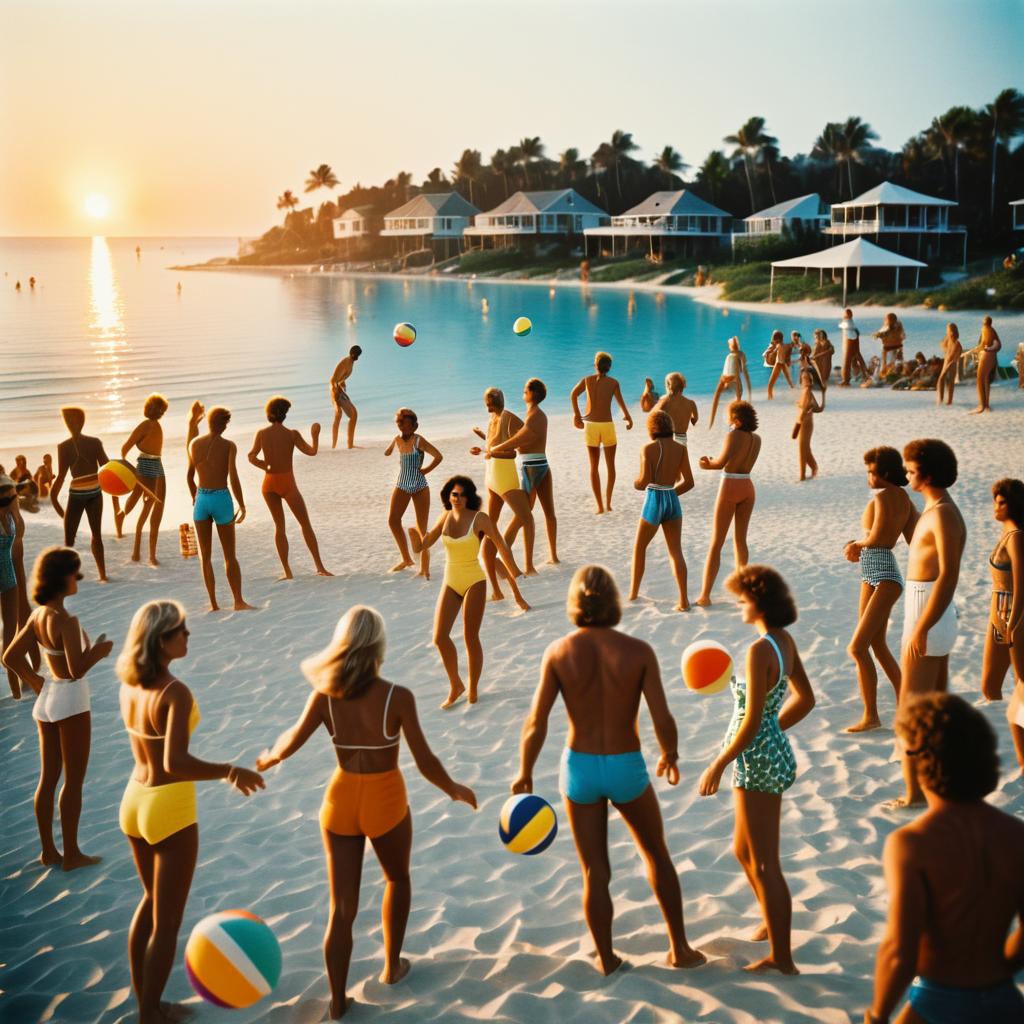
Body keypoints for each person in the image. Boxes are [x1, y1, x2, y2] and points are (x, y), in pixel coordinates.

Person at [256, 606, 478, 1018]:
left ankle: (338, 1001)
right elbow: (425, 761)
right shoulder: (397, 696)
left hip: (340, 801)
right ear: (378, 647)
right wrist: (454, 789)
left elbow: (292, 741)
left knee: (341, 908)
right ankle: (392, 966)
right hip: (385, 800)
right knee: (397, 879)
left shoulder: (325, 694)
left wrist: (270, 757)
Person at [512, 565, 705, 975]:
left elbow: (536, 722)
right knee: (656, 854)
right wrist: (669, 753)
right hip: (625, 765)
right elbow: (662, 716)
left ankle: (607, 958)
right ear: (613, 601)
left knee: (593, 870)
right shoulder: (637, 651)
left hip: (578, 766)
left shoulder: (559, 652)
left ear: (575, 603)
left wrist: (524, 770)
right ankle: (680, 949)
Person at [115, 599, 264, 1024]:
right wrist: (229, 771)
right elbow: (174, 762)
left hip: (134, 801)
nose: (188, 636)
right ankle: (150, 1014)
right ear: (162, 640)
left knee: (148, 905)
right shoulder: (174, 691)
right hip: (168, 807)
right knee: (167, 922)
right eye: (182, 630)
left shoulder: (130, 684)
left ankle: (149, 1003)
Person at [866, 693, 1024, 1024]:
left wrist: (878, 1014)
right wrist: (1002, 968)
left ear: (921, 759)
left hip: (938, 1001)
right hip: (1004, 999)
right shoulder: (1016, 835)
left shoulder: (911, 844)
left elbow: (899, 952)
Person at [698, 565, 815, 975]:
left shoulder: (759, 649)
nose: (738, 606)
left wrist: (718, 762)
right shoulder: (784, 642)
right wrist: (773, 730)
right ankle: (770, 919)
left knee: (765, 862)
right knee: (743, 851)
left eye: (742, 600)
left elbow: (749, 721)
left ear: (760, 603)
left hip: (755, 759)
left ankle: (782, 958)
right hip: (766, 752)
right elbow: (806, 699)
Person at [3, 546, 112, 869]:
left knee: (48, 778)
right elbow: (75, 669)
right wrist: (100, 651)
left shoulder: (38, 615)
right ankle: (73, 854)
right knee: (73, 781)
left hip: (47, 698)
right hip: (71, 700)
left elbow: (8, 655)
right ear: (62, 578)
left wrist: (34, 680)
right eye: (74, 572)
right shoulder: (66, 620)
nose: (77, 578)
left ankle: (48, 851)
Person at [410, 476, 524, 709]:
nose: (458, 498)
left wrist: (515, 574)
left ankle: (472, 687)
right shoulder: (445, 517)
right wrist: (415, 541)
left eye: (462, 494)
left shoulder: (479, 518)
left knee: (470, 638)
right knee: (440, 638)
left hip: (474, 580)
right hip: (450, 581)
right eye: (454, 494)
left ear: (469, 497)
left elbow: (500, 543)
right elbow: (425, 544)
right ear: (448, 496)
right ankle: (456, 685)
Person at [895, 439, 966, 809]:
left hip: (929, 614)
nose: (906, 475)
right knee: (934, 708)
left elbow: (948, 576)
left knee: (911, 712)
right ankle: (937, 783)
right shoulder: (935, 510)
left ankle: (913, 795)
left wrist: (922, 627)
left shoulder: (942, 515)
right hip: (930, 612)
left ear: (930, 472)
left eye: (911, 469)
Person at [843, 448, 919, 733]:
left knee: (857, 647)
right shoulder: (906, 500)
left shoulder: (885, 496)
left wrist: (856, 545)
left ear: (884, 474)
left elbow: (875, 538)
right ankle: (902, 707)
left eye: (871, 472)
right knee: (876, 645)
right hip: (875, 572)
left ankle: (872, 716)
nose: (868, 477)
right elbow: (913, 540)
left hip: (883, 574)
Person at [248, 395, 332, 579]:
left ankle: (287, 571)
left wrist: (265, 466)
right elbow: (312, 451)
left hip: (268, 483)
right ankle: (319, 566)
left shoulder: (261, 433)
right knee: (305, 524)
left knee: (280, 527)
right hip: (287, 482)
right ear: (284, 414)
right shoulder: (292, 434)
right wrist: (315, 435)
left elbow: (251, 456)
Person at [186, 405, 254, 612]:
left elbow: (189, 477)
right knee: (229, 555)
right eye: (226, 422)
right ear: (223, 424)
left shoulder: (194, 444)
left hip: (201, 500)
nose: (226, 426)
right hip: (221, 499)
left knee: (204, 555)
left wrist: (195, 498)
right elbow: (233, 477)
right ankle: (238, 601)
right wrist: (242, 504)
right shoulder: (229, 445)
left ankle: (214, 604)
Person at [696, 400, 761, 607]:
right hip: (747, 487)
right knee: (740, 541)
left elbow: (720, 463)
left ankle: (705, 595)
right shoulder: (756, 439)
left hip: (730, 486)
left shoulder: (733, 435)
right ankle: (743, 593)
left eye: (729, 416)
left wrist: (706, 464)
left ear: (737, 420)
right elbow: (739, 461)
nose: (727, 420)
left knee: (716, 543)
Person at [488, 378, 559, 565]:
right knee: (531, 513)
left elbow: (521, 438)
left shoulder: (536, 415)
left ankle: (545, 555)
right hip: (540, 465)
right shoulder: (532, 414)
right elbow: (519, 438)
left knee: (530, 514)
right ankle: (507, 549)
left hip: (531, 468)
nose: (523, 390)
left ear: (532, 394)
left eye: (526, 389)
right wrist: (490, 443)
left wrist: (495, 449)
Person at [629, 411, 694, 611]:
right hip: (672, 499)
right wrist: (672, 494)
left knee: (640, 548)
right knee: (676, 552)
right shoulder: (680, 448)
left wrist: (635, 483)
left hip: (654, 500)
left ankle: (633, 594)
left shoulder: (647, 448)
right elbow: (689, 482)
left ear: (651, 428)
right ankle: (683, 600)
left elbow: (643, 482)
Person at [980, 479, 1024, 775]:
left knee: (1022, 686)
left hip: (1013, 618)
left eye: (1002, 501)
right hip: (997, 616)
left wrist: (1014, 622)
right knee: (990, 686)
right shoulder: (1005, 533)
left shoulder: (1018, 536)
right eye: (995, 500)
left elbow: (1022, 585)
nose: (996, 506)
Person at [471, 387, 537, 581]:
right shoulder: (493, 419)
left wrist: (492, 452)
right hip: (496, 475)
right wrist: (483, 445)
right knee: (524, 518)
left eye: (489, 402)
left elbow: (519, 443)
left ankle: (516, 567)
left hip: (499, 475)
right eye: (486, 402)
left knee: (502, 523)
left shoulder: (508, 417)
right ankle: (519, 570)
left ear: (497, 400)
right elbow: (496, 445)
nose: (487, 406)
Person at [51, 406, 109, 582]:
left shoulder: (64, 446)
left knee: (71, 537)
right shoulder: (95, 442)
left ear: (80, 422)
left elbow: (61, 476)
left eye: (70, 420)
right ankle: (102, 575)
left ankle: (72, 576)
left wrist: (55, 499)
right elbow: (108, 469)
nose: (69, 424)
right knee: (95, 535)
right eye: (67, 420)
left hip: (78, 494)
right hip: (95, 492)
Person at [570, 352, 633, 514]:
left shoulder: (587, 380)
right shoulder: (613, 383)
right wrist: (627, 416)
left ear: (595, 365)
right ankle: (609, 503)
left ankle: (599, 506)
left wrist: (577, 414)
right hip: (607, 425)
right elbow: (620, 402)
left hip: (590, 425)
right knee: (611, 466)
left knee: (594, 467)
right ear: (609, 367)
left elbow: (573, 395)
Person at [384, 408, 442, 577]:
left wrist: (426, 470)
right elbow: (387, 452)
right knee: (393, 521)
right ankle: (406, 559)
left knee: (422, 529)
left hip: (419, 485)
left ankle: (425, 568)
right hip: (402, 483)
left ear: (413, 424)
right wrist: (390, 448)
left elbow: (438, 456)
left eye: (403, 421)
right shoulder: (397, 439)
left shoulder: (419, 440)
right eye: (398, 422)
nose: (400, 424)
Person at [117, 394, 169, 565]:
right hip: (145, 467)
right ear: (153, 409)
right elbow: (125, 448)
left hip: (158, 466)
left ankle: (151, 555)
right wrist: (128, 469)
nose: (162, 412)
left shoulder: (157, 425)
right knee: (137, 505)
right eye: (160, 409)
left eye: (163, 409)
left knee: (156, 508)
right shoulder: (145, 425)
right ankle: (135, 548)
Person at [0, 475, 29, 699]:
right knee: (10, 634)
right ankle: (16, 692)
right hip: (7, 574)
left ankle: (17, 691)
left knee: (10, 634)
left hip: (7, 572)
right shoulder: (12, 517)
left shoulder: (11, 514)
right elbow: (19, 531)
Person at [709, 338, 751, 427]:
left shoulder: (730, 356)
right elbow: (741, 370)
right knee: (737, 395)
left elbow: (728, 372)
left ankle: (728, 416)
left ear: (730, 346)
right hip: (733, 379)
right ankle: (735, 412)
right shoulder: (738, 355)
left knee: (727, 393)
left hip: (729, 378)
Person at [793, 365, 822, 483]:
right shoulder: (805, 391)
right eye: (803, 378)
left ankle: (802, 475)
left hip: (806, 422)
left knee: (802, 448)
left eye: (807, 378)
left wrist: (806, 408)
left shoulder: (808, 391)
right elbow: (816, 407)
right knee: (805, 448)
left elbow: (817, 408)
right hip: (802, 421)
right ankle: (814, 467)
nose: (805, 380)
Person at [329, 345, 362, 449]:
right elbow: (333, 380)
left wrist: (342, 382)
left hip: (339, 389)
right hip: (334, 390)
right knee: (340, 414)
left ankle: (349, 444)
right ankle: (335, 446)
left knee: (353, 414)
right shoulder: (346, 362)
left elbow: (340, 378)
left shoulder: (351, 362)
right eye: (354, 355)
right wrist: (336, 394)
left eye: (357, 356)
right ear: (351, 353)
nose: (355, 357)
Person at [655, 371, 700, 442]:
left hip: (667, 437)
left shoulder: (663, 400)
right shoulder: (691, 403)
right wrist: (691, 420)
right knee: (682, 453)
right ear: (682, 386)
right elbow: (695, 419)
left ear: (668, 386)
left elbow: (655, 417)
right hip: (682, 437)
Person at [971, 316, 1001, 414]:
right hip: (992, 358)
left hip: (986, 356)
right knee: (986, 380)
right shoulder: (992, 330)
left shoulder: (985, 329)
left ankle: (981, 405)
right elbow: (997, 344)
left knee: (980, 380)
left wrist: (976, 350)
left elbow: (984, 344)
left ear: (984, 323)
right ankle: (986, 405)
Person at [838, 308, 868, 386]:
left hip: (849, 348)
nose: (843, 316)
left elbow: (852, 336)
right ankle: (864, 375)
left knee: (847, 362)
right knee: (857, 360)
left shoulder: (848, 326)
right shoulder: (850, 325)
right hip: (852, 347)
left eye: (845, 314)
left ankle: (846, 379)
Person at [935, 323, 961, 406]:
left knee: (951, 382)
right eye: (948, 331)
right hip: (946, 361)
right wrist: (946, 350)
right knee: (941, 379)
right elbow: (941, 345)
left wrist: (950, 362)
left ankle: (949, 401)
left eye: (950, 331)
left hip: (952, 363)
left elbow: (957, 357)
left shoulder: (957, 344)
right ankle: (941, 398)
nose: (949, 332)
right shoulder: (947, 339)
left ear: (954, 331)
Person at [766, 331, 795, 400]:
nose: (773, 341)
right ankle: (797, 394)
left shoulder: (779, 346)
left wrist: (769, 354)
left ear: (777, 340)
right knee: (790, 383)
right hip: (783, 364)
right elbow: (791, 346)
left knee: (770, 385)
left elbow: (773, 353)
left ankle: (770, 399)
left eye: (774, 339)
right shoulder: (785, 346)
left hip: (779, 364)